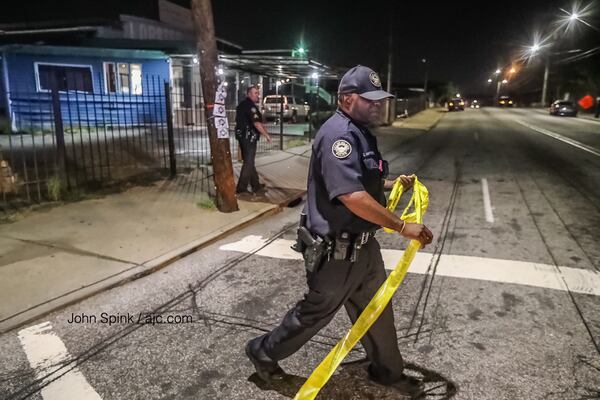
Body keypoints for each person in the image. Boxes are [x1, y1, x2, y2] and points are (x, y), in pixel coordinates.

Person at [245, 66, 434, 397]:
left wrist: (391, 183)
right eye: (370, 100)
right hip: (336, 252)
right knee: (313, 315)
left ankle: (387, 371)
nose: (378, 106)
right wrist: (402, 226)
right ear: (347, 99)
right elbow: (351, 195)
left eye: (380, 100)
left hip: (364, 247)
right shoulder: (339, 136)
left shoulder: (359, 132)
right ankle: (262, 351)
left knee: (377, 308)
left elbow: (363, 183)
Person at [235, 86, 271, 194]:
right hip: (249, 138)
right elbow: (256, 123)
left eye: (258, 93)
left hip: (242, 137)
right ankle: (241, 188)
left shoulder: (242, 105)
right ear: (249, 94)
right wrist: (266, 135)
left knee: (249, 162)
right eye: (255, 93)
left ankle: (256, 185)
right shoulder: (251, 107)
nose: (258, 95)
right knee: (248, 162)